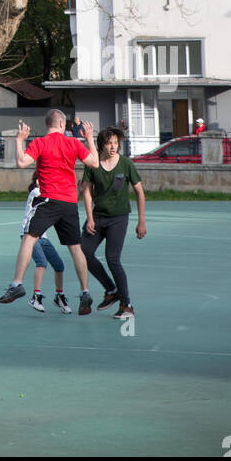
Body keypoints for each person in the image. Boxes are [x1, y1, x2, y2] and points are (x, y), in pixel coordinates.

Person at [0, 109, 99, 314]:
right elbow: (95, 163)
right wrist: (89, 138)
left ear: (48, 125)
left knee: (29, 238)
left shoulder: (40, 143)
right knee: (75, 247)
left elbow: (21, 163)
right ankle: (85, 291)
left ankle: (17, 284)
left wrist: (20, 140)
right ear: (62, 125)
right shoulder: (73, 143)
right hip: (69, 202)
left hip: (48, 199)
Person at [80, 126, 146, 319]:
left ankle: (127, 305)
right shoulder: (93, 164)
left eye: (116, 143)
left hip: (119, 218)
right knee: (83, 252)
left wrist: (141, 221)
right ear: (101, 145)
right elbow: (86, 192)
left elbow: (140, 192)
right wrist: (90, 218)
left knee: (112, 258)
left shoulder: (125, 164)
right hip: (98, 217)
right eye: (109, 143)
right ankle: (111, 289)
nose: (113, 146)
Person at [21, 174, 72, 314]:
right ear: (37, 181)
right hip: (29, 235)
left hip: (42, 236)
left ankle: (59, 296)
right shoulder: (36, 192)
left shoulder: (47, 192)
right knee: (42, 262)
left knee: (59, 265)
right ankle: (36, 296)